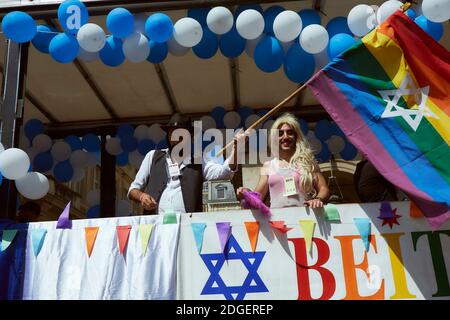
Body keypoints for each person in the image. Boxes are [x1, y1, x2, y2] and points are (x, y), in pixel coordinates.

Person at [128, 117, 245, 214]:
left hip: (188, 227)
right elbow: (133, 190)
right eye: (172, 135)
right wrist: (142, 196)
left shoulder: (199, 161)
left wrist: (236, 149)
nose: (176, 140)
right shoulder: (153, 156)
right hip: (156, 226)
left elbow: (225, 173)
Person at [237, 113, 330, 209]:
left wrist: (318, 199)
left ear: (296, 136)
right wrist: (246, 193)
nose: (285, 137)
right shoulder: (268, 166)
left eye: (290, 132)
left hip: (306, 220)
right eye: (280, 133)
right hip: (278, 222)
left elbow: (324, 188)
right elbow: (257, 198)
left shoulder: (308, 162)